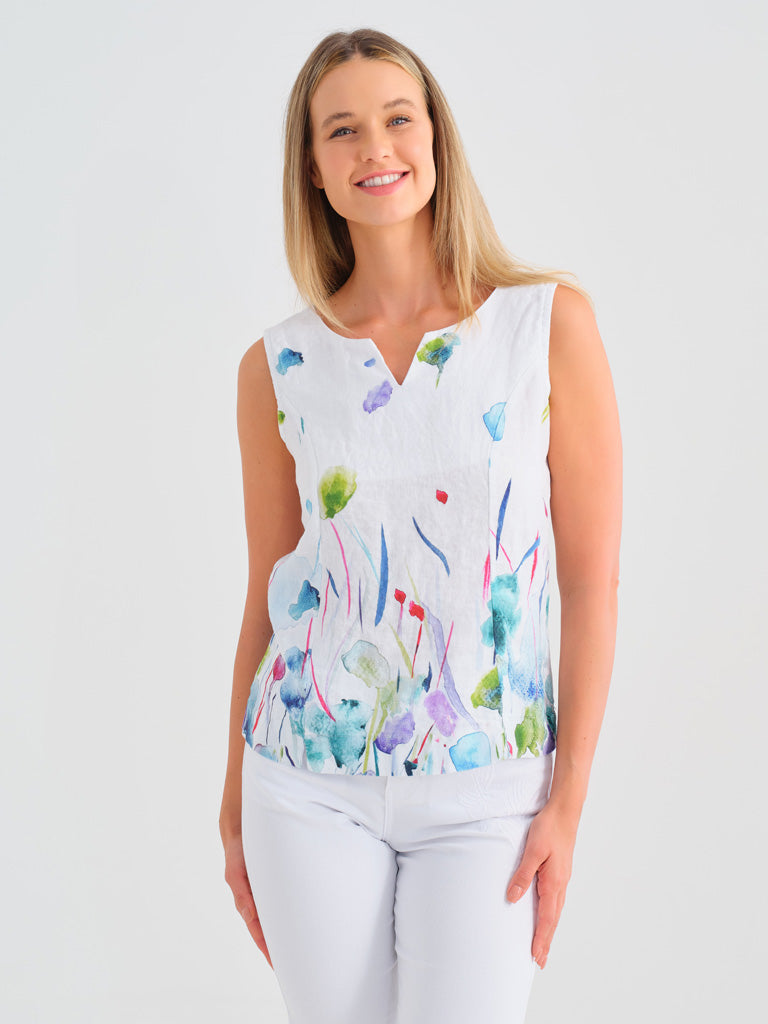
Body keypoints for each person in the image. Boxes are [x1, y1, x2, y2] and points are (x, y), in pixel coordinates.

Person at [219, 27, 621, 1024]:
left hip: (492, 788)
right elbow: (270, 591)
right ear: (313, 169)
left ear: (436, 137)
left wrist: (568, 801)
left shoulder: (544, 327)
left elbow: (590, 581)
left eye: (398, 119)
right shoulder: (278, 367)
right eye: (342, 130)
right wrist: (233, 799)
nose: (376, 148)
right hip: (303, 784)